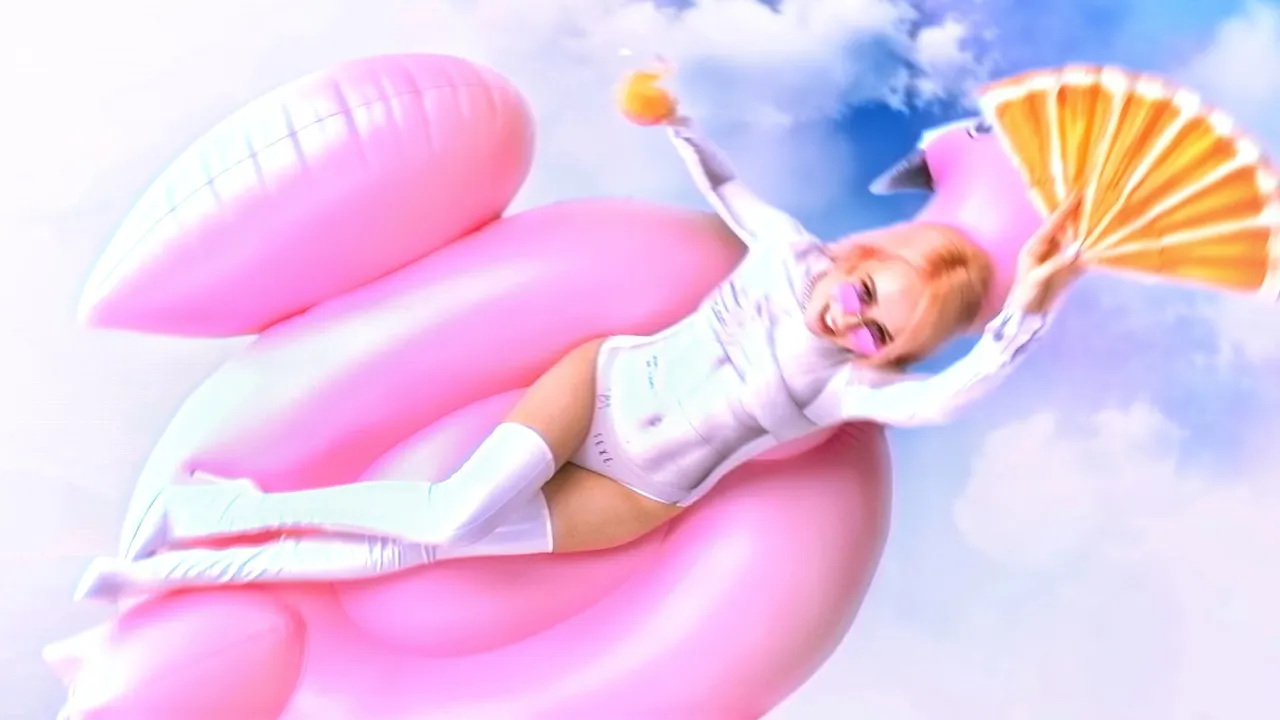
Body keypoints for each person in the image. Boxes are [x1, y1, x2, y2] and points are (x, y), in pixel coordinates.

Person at [74, 115, 1084, 602]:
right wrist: (675, 120)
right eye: (864, 295)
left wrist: (1031, 300)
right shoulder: (790, 256)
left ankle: (178, 556)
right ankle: (222, 511)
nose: (849, 321)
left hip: (636, 493)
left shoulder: (849, 390)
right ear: (859, 261)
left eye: (880, 334)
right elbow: (727, 186)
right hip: (596, 390)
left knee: (409, 552)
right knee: (446, 514)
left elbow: (950, 397)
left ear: (891, 354)